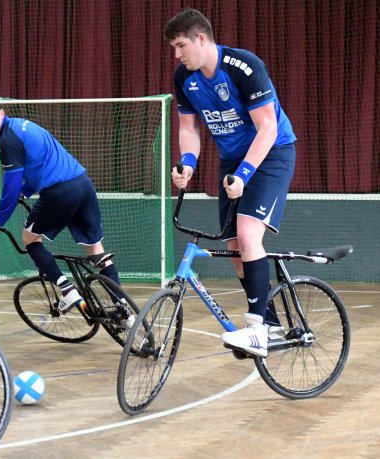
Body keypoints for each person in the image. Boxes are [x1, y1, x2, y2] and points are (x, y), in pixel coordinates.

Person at [165, 9, 296, 357]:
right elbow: (189, 128)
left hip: (271, 153)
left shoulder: (243, 67)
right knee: (235, 247)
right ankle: (269, 323)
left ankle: (255, 330)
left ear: (201, 39)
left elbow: (267, 128)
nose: (177, 54)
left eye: (181, 46)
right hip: (232, 160)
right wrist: (188, 164)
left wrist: (244, 175)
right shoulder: (184, 78)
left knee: (250, 233)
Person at [0, 95, 128, 318]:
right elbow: (39, 165)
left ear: (1, 113)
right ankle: (124, 309)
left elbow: (10, 189)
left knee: (30, 239)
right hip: (83, 184)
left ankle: (66, 290)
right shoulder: (25, 126)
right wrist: (26, 192)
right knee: (96, 250)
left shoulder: (7, 140)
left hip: (59, 192)